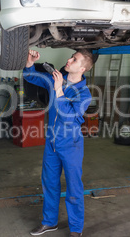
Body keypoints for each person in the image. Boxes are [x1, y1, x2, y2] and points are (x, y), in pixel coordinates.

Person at [23, 49, 94, 237]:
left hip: (71, 145)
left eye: (75, 59)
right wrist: (30, 63)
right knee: (49, 183)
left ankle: (76, 229)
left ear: (83, 68)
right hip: (52, 142)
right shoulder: (59, 77)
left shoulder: (84, 94)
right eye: (71, 56)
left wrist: (59, 89)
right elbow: (32, 77)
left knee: (73, 187)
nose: (69, 60)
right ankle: (49, 222)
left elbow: (69, 117)